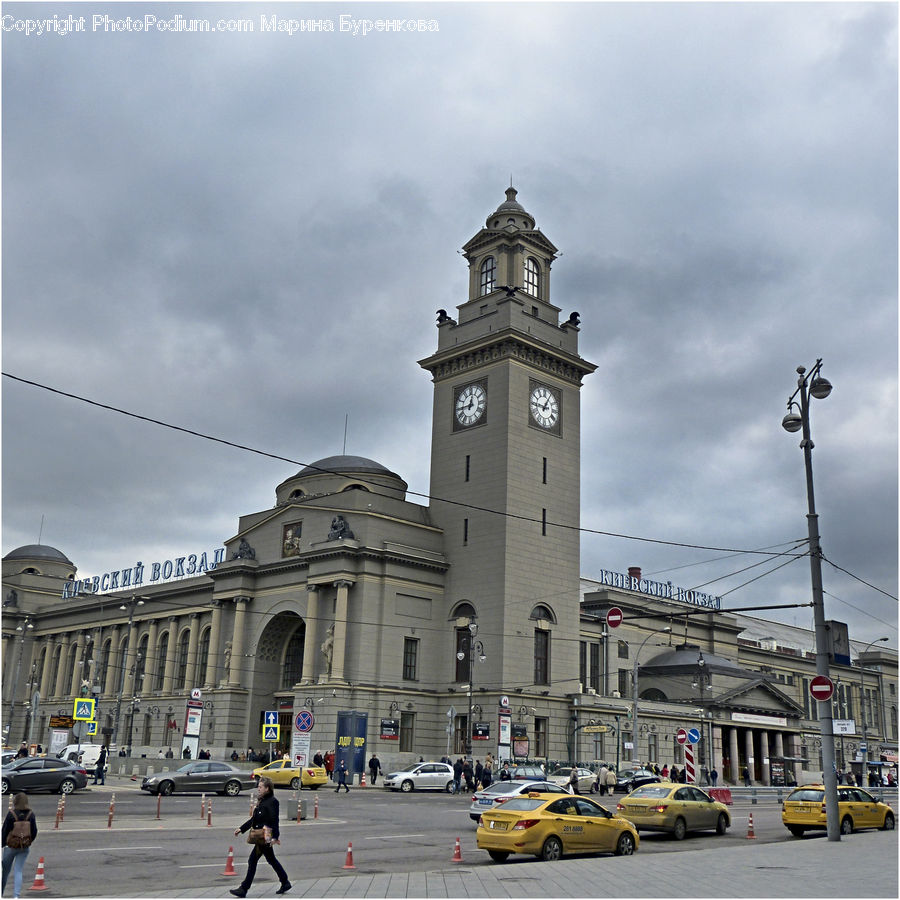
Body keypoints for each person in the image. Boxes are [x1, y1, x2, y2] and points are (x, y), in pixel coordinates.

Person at [230, 776, 290, 897]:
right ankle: (285, 881)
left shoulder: (272, 801)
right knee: (270, 859)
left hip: (265, 835)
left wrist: (274, 837)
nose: (258, 788)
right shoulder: (262, 801)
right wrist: (241, 829)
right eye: (258, 786)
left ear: (267, 788)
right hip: (261, 835)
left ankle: (244, 888)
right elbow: (254, 819)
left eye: (261, 787)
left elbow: (274, 820)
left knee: (253, 860)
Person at [2, 792, 37, 899]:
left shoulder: (11, 814)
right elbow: (34, 831)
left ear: (15, 801)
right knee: (18, 871)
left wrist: (3, 844)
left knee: (5, 872)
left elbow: (5, 830)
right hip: (24, 847)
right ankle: (16, 896)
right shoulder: (31, 814)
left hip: (11, 846)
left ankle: (1, 893)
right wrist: (28, 842)